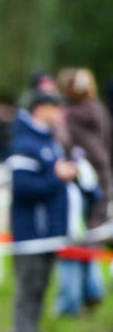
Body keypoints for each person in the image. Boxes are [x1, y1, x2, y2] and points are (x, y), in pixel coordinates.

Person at [7, 92, 78, 332]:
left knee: (39, 290)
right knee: (28, 290)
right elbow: (22, 186)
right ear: (40, 109)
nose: (61, 112)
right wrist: (56, 176)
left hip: (49, 234)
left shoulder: (49, 140)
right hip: (31, 235)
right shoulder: (24, 142)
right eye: (55, 107)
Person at [56, 68, 112, 314]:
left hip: (77, 181)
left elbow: (63, 144)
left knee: (72, 239)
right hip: (102, 178)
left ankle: (70, 301)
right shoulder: (99, 111)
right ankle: (93, 288)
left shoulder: (65, 115)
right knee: (92, 234)